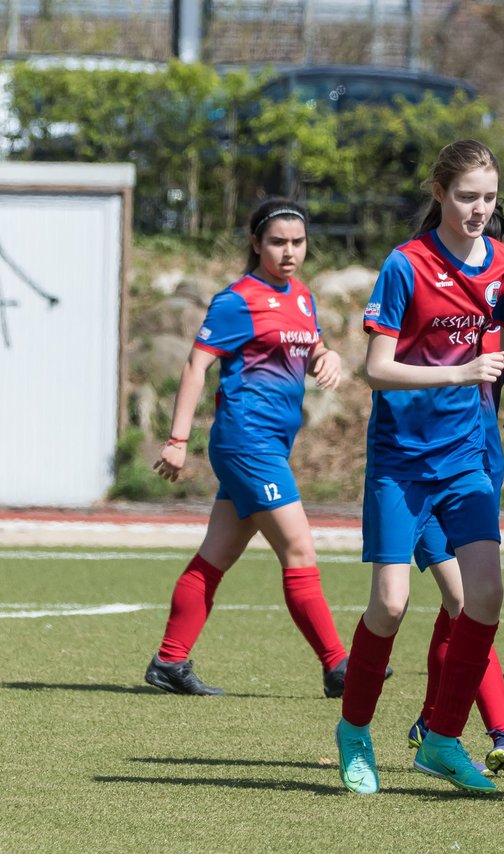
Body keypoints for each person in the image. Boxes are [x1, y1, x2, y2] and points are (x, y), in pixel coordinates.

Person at [335, 139, 504, 796]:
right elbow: (377, 370)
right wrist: (461, 370)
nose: (479, 209)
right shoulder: (406, 265)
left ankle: (443, 740)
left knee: (485, 596)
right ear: (440, 193)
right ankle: (354, 733)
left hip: (468, 458)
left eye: (490, 198)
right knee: (390, 605)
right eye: (468, 196)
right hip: (402, 461)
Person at [145, 198, 353, 698]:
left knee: (215, 556)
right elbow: (196, 365)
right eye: (277, 242)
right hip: (246, 442)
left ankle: (169, 662)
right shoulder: (237, 299)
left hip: (270, 447)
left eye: (297, 242)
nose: (288, 252)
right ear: (257, 244)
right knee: (299, 547)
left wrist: (328, 356)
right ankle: (338, 666)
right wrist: (178, 441)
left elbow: (310, 343)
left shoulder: (302, 297)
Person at [405, 205, 504, 778]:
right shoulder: (413, 279)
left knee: (461, 605)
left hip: (479, 464)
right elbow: (383, 367)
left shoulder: (502, 293)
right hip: (415, 467)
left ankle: (430, 721)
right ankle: (501, 731)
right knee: (466, 601)